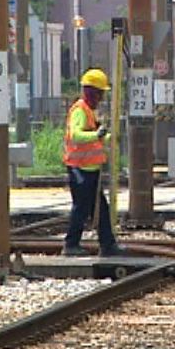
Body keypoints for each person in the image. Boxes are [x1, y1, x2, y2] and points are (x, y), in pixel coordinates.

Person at [62, 67, 125, 257]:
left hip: (90, 170)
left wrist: (106, 138)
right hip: (80, 170)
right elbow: (76, 135)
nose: (102, 98)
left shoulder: (89, 111)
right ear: (92, 93)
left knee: (100, 209)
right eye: (100, 94)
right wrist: (96, 134)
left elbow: (92, 138)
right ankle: (71, 245)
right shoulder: (80, 111)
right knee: (81, 208)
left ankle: (107, 245)